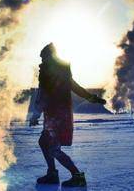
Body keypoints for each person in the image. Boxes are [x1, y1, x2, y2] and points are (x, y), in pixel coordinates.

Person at [29, 43, 107, 187]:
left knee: (53, 148)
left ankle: (77, 176)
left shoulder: (47, 71)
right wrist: (91, 97)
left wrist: (35, 114)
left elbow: (43, 94)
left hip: (55, 114)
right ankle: (52, 173)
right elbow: (75, 87)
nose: (42, 61)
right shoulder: (62, 71)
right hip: (60, 113)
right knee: (44, 142)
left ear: (49, 56)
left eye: (43, 57)